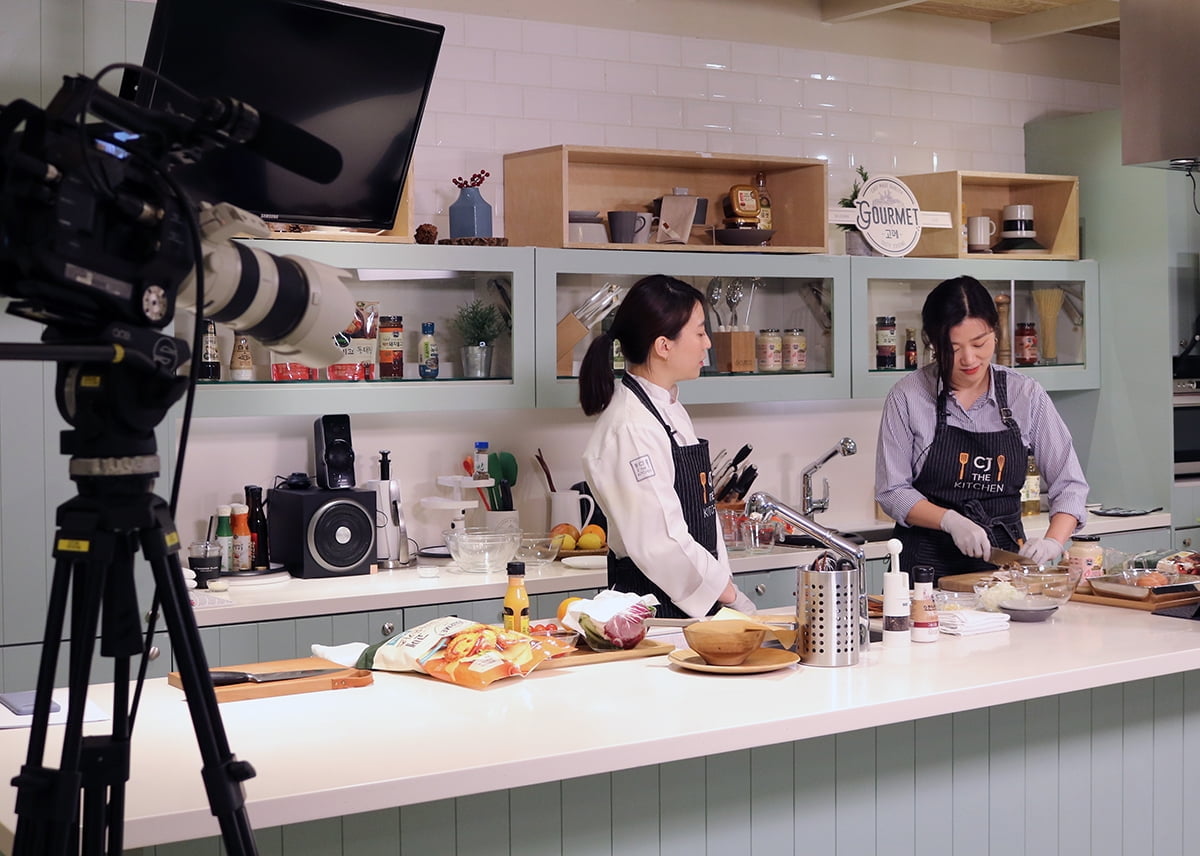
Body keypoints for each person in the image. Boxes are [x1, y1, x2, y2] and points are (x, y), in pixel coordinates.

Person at [875, 275, 1088, 581]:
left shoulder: (1025, 394)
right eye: (953, 348)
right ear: (933, 343)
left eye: (979, 343)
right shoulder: (908, 396)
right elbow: (892, 491)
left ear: (996, 334)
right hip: (926, 572)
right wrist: (949, 520)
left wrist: (1054, 541)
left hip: (1004, 570)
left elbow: (1070, 484)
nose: (969, 359)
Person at [580, 275, 755, 619]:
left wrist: (724, 583)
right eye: (700, 332)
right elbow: (661, 541)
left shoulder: (668, 408)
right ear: (664, 346)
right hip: (657, 612)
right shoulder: (631, 427)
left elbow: (700, 516)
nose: (708, 343)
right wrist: (729, 595)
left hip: (694, 605)